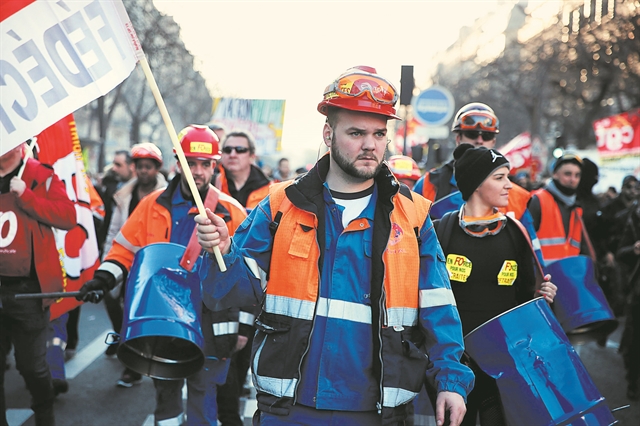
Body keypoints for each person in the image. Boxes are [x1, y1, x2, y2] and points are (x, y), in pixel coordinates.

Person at [196, 65, 474, 426]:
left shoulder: (415, 216)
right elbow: (230, 293)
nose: (370, 144)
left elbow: (438, 306)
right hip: (288, 409)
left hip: (379, 412)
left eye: (378, 133)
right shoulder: (280, 205)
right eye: (356, 132)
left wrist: (451, 381)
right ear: (328, 133)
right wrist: (220, 251)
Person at [77, 125, 247, 425]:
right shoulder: (152, 204)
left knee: (204, 396)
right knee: (166, 394)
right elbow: (124, 252)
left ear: (214, 166)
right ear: (176, 164)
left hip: (211, 318)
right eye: (190, 162)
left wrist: (244, 328)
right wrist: (103, 280)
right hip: (164, 315)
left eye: (205, 164)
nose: (197, 171)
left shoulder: (231, 211)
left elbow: (249, 276)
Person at [434, 144, 556, 425]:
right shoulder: (441, 230)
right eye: (500, 177)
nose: (509, 186)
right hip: (453, 363)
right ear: (477, 184)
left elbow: (528, 299)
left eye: (508, 177)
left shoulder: (517, 231)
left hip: (502, 365)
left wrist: (544, 296)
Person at [1, 142, 76, 426]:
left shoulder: (41, 176)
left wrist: (27, 196)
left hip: (28, 290)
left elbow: (68, 218)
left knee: (31, 366)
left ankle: (45, 414)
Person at [412, 103, 542, 264]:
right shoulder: (429, 185)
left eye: (486, 136)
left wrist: (539, 285)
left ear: (493, 141)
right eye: (472, 134)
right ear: (458, 138)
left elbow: (532, 253)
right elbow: (410, 241)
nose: (479, 140)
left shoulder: (516, 195)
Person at [101, 143, 168, 383]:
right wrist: (107, 261)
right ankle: (127, 346)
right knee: (116, 304)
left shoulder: (169, 195)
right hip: (126, 262)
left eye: (148, 167)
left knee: (143, 315)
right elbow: (114, 231)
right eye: (140, 167)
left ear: (157, 169)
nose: (143, 171)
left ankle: (135, 366)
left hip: (154, 266)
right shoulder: (123, 195)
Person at [528, 153, 592, 264]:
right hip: (541, 275)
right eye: (568, 174)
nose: (573, 179)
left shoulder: (576, 208)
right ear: (555, 174)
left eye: (577, 175)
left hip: (566, 275)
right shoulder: (538, 200)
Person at [616, 201, 640, 400]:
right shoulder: (635, 218)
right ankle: (633, 381)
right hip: (638, 293)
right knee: (635, 341)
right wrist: (634, 249)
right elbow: (620, 253)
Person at [214, 130, 271, 211]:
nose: (232, 155)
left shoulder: (270, 191)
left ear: (252, 156)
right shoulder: (210, 185)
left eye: (240, 149)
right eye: (227, 149)